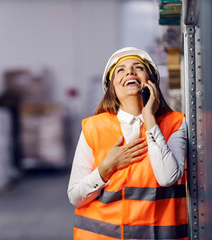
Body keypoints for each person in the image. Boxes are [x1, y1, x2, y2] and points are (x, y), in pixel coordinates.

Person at [67, 47, 188, 240]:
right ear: (112, 86)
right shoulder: (93, 127)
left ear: (151, 81)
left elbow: (168, 177)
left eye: (137, 67)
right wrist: (107, 166)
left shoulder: (175, 123)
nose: (129, 72)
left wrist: (149, 119)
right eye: (120, 70)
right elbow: (76, 197)